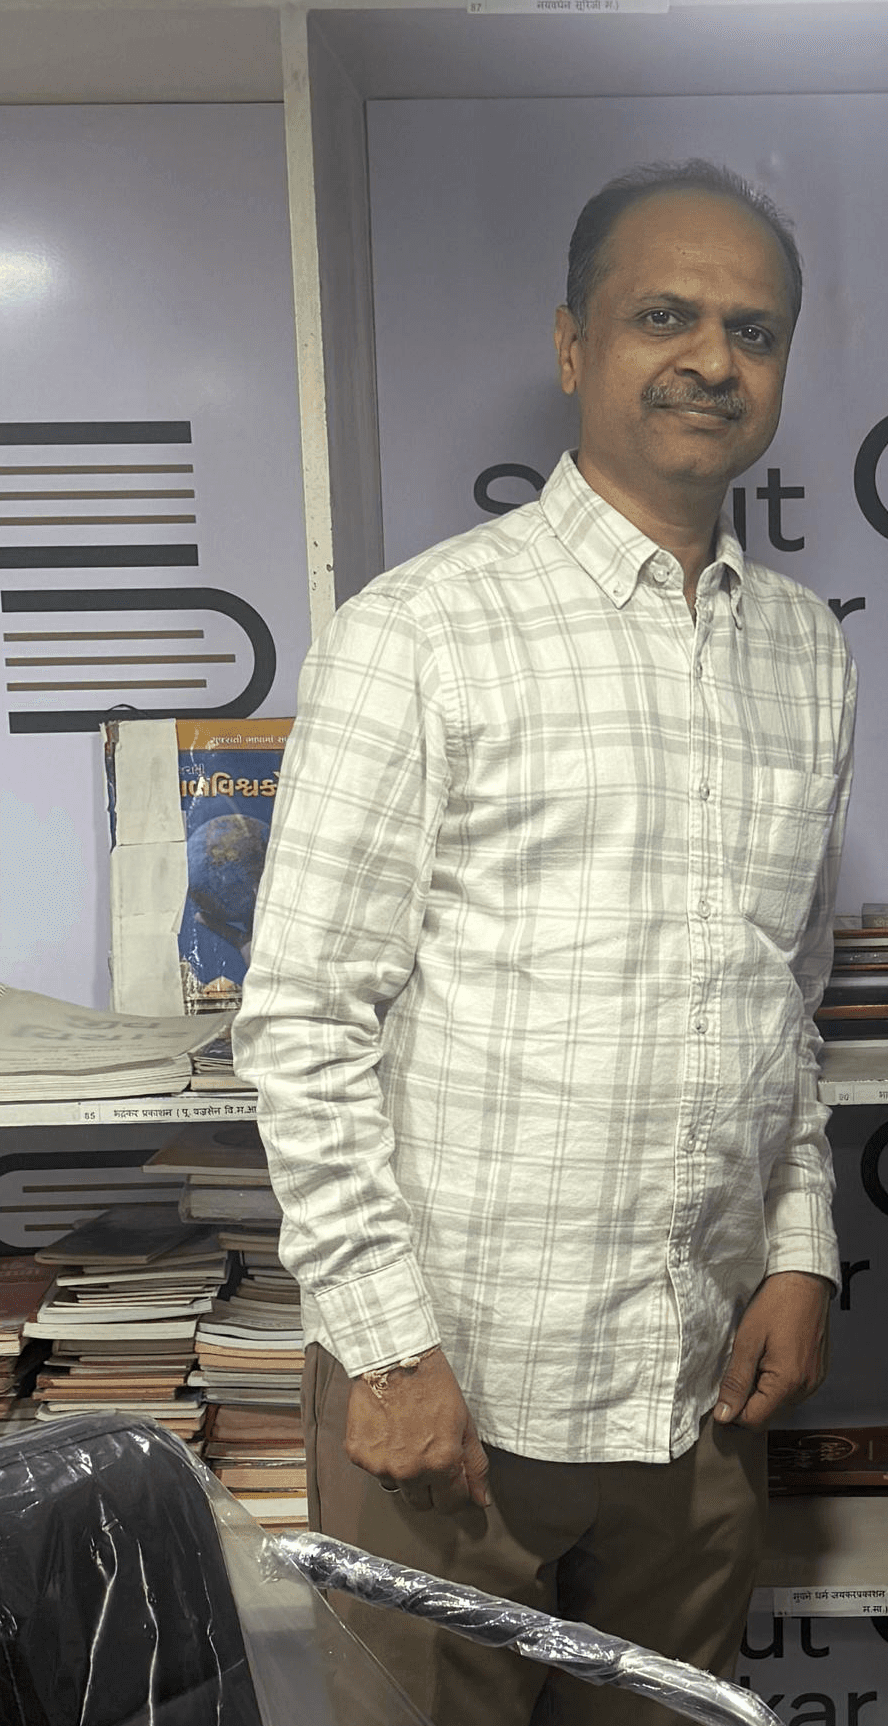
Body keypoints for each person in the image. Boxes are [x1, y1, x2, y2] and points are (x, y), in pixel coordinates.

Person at [234, 160, 855, 1726]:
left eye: (753, 327)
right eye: (666, 316)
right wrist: (384, 1352)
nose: (713, 357)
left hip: (697, 1397)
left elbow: (787, 994)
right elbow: (303, 1016)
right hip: (452, 1405)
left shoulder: (805, 650)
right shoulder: (421, 631)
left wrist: (797, 1246)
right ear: (574, 345)